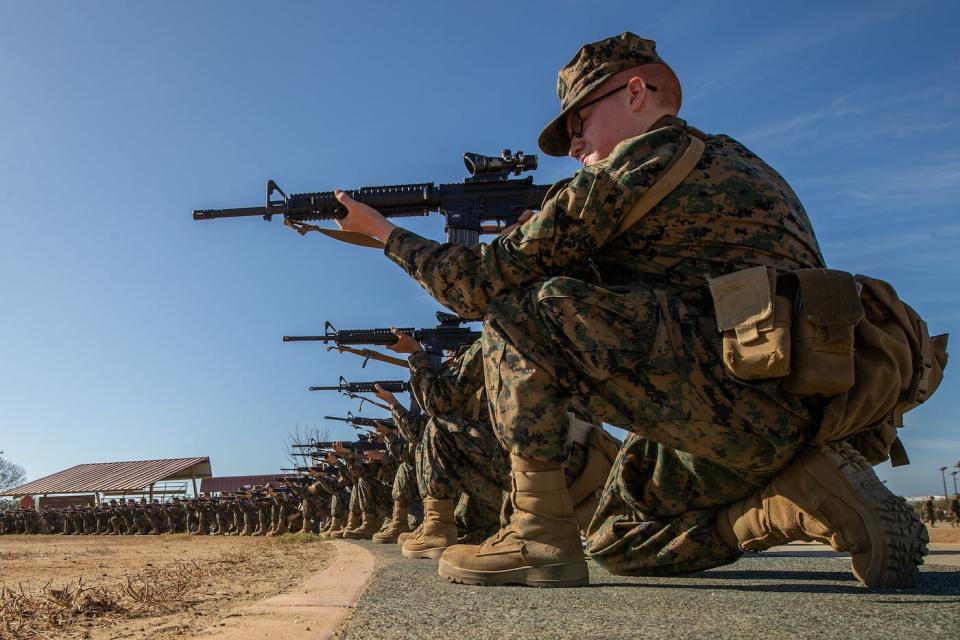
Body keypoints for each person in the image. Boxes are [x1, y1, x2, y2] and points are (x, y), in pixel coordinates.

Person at [301, 32, 926, 589]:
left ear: (635, 93)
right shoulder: (743, 162)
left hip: (728, 399)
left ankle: (538, 537)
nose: (573, 145)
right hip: (801, 403)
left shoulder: (633, 164)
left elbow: (476, 286)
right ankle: (795, 499)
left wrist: (383, 234)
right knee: (617, 536)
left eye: (579, 121)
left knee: (518, 312)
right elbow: (681, 280)